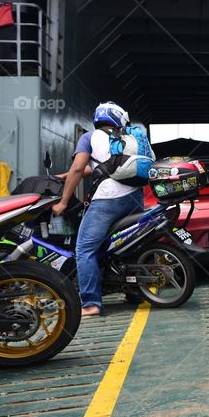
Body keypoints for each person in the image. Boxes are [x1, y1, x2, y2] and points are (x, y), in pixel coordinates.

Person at [53, 102, 146, 317]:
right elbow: (96, 167)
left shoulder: (89, 137)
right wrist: (63, 177)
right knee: (127, 244)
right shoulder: (126, 137)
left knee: (84, 249)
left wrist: (64, 201)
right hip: (135, 197)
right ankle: (135, 292)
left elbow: (78, 167)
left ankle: (91, 303)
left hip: (109, 201)